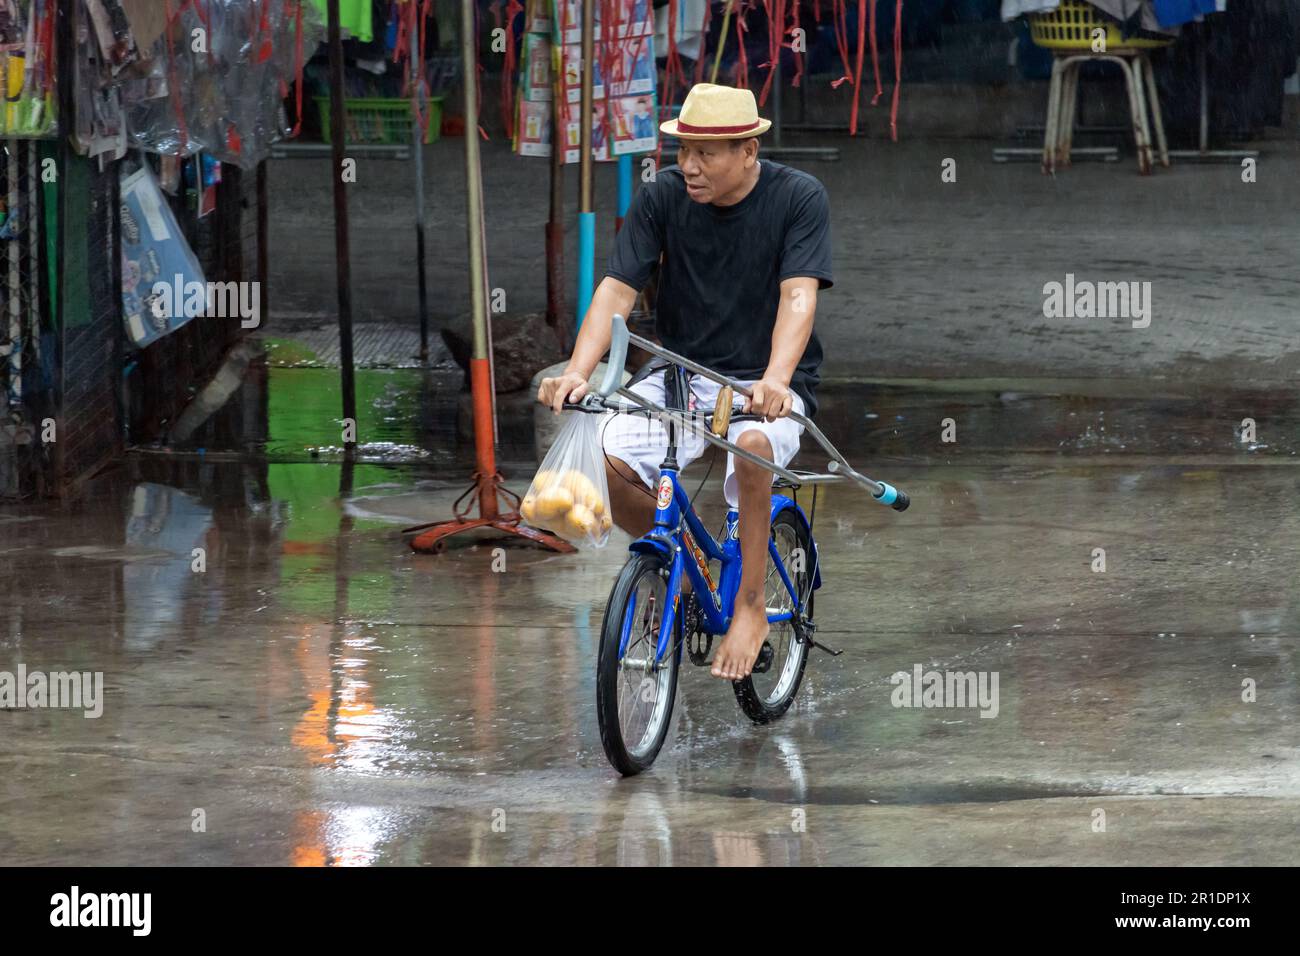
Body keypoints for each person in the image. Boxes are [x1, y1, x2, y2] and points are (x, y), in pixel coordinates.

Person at [537, 83, 833, 681]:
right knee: (603, 456)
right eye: (683, 152)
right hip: (680, 377)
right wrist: (577, 369)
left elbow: (798, 296)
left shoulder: (799, 197)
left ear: (749, 150)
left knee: (751, 448)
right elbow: (618, 289)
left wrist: (775, 379)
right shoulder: (664, 197)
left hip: (761, 383)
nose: (689, 168)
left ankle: (750, 600)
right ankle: (689, 563)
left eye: (707, 154)